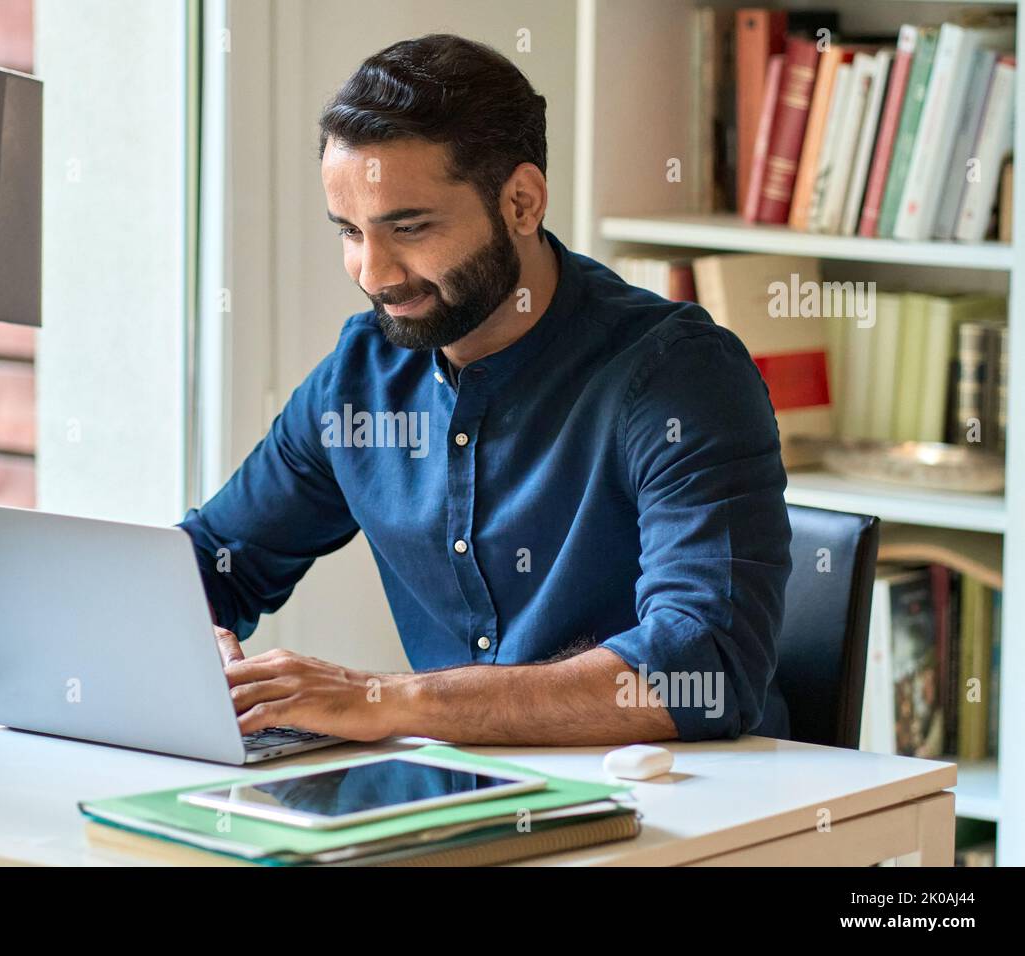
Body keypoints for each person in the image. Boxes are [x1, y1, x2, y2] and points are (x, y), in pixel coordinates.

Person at [179, 33, 791, 746]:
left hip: (683, 804)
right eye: (351, 232)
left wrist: (389, 701)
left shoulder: (678, 377)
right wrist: (189, 638)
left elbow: (705, 664)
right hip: (464, 796)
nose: (373, 274)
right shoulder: (360, 379)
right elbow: (215, 559)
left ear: (522, 202)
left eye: (409, 228)